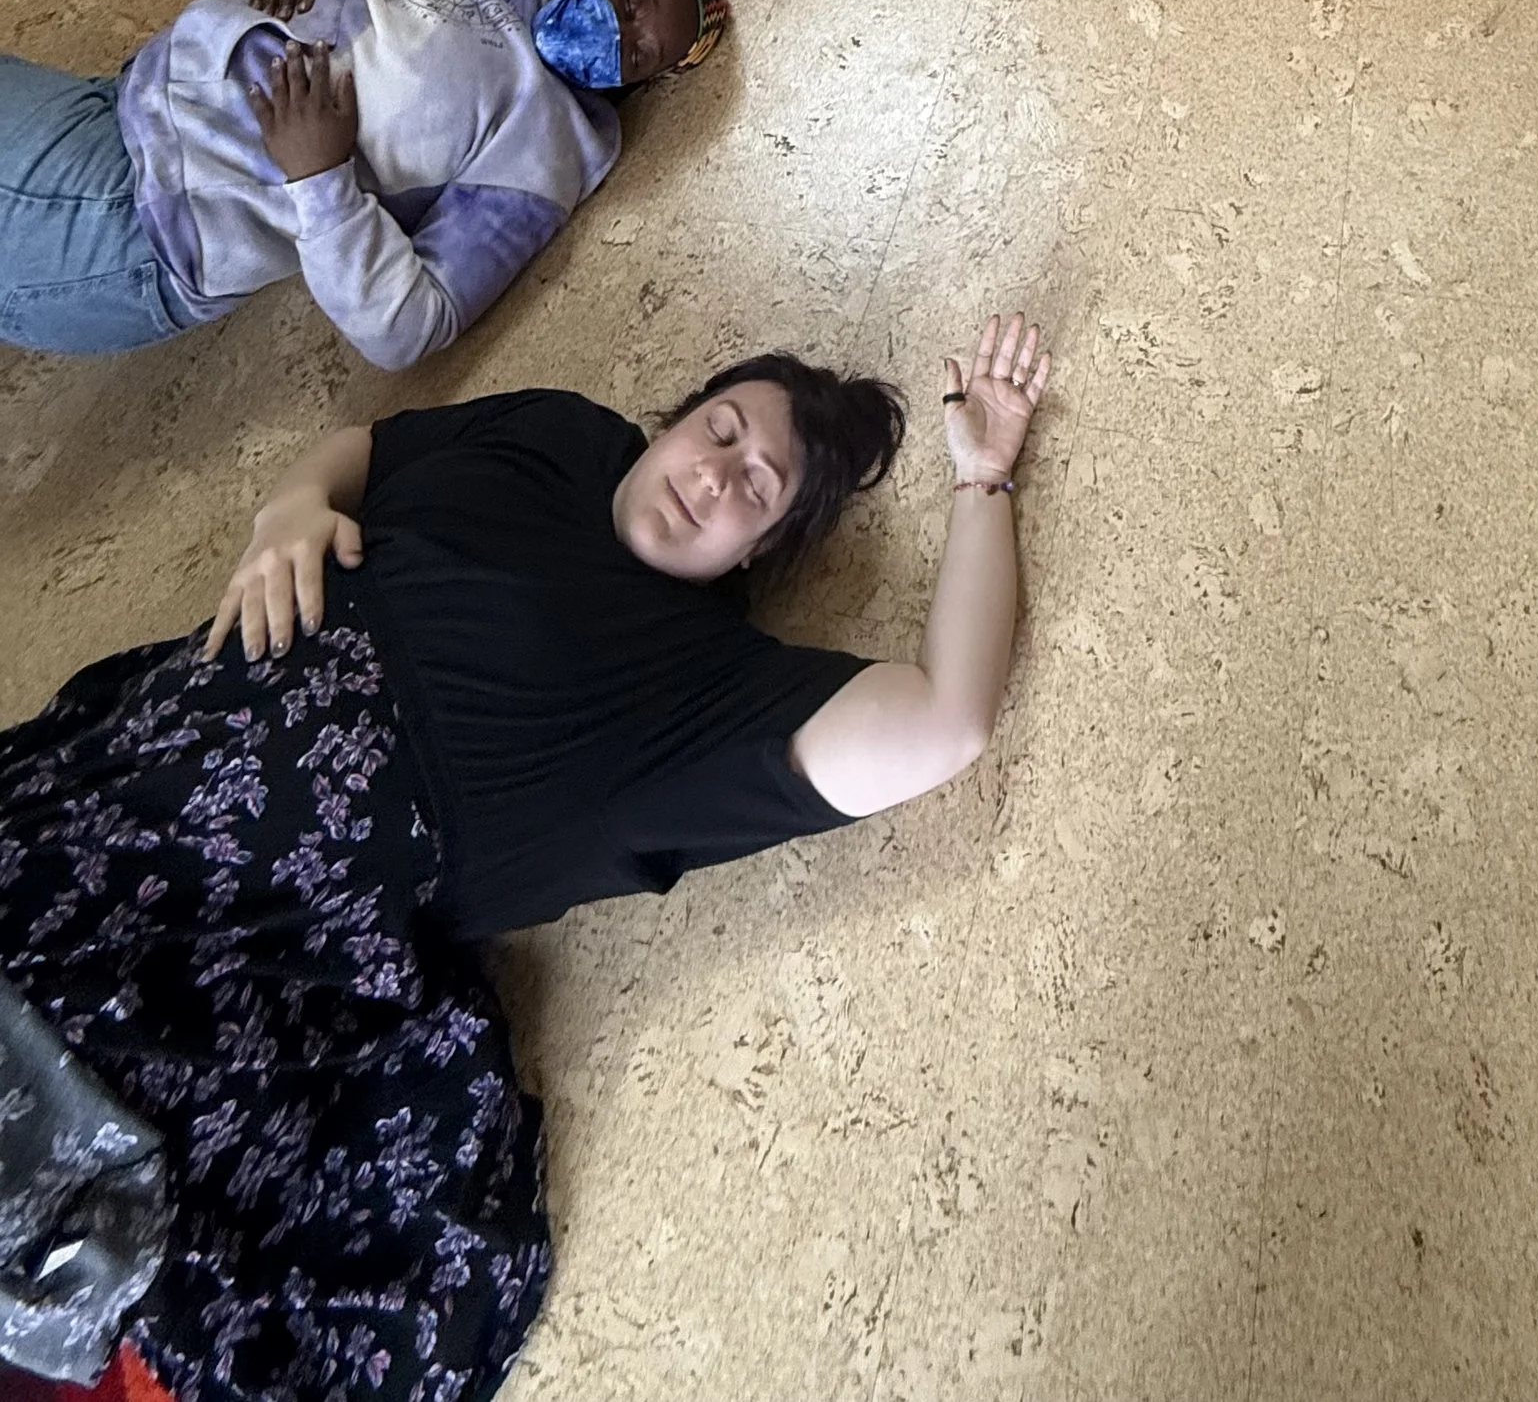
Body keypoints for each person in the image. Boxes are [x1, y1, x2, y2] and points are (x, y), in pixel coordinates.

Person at [0, 314, 1050, 1397]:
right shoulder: (563, 435)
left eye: (758, 487)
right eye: (721, 429)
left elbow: (947, 718)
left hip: (255, 913)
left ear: (756, 553)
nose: (716, 474)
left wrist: (984, 478)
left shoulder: (707, 693)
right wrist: (292, 507)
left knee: (59, 1080)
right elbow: (371, 448)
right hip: (151, 740)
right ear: (676, 419)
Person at [0, 0, 724, 362]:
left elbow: (414, 325)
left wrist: (320, 181)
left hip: (135, 214)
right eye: (633, 1)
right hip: (134, 91)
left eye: (639, 53)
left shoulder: (547, 147)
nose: (618, 31)